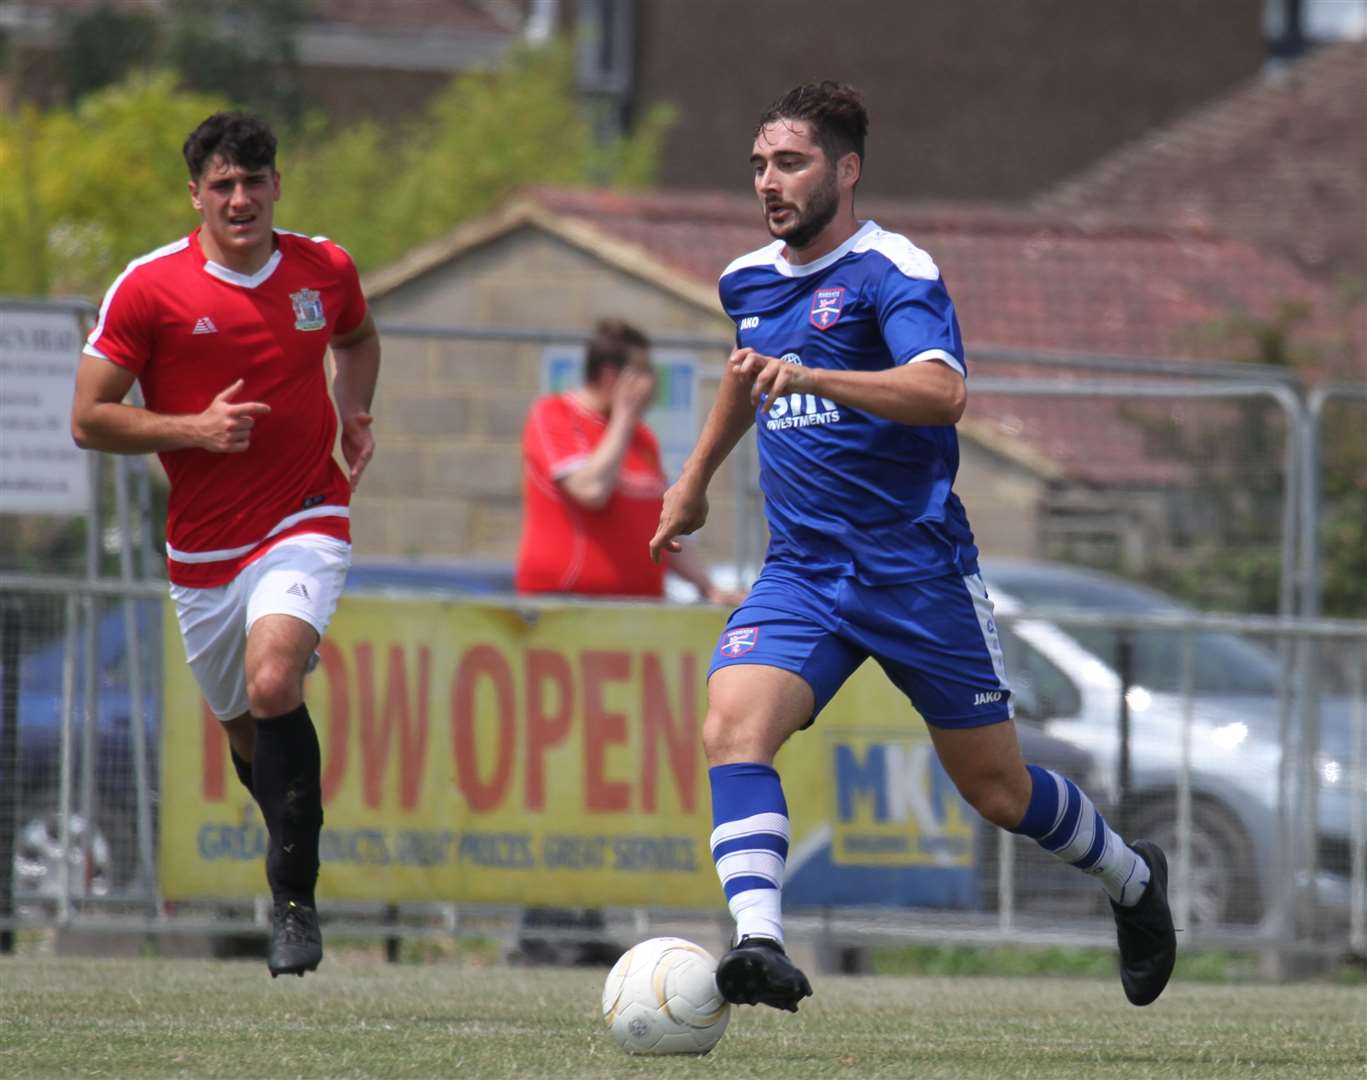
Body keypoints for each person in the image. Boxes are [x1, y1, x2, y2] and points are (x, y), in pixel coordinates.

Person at [649, 82, 1176, 1012]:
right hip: (804, 573)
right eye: (760, 166)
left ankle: (1133, 881)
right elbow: (746, 373)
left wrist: (817, 372)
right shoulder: (747, 279)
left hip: (915, 571)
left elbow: (942, 393)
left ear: (845, 170)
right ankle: (759, 943)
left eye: (791, 162)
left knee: (1000, 794)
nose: (770, 182)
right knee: (733, 725)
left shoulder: (895, 269)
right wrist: (691, 482)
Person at [70, 111, 381, 979]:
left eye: (254, 181)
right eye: (222, 185)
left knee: (274, 676)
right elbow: (89, 417)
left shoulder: (325, 267)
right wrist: (193, 429)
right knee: (249, 734)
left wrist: (353, 410)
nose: (240, 198)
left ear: (278, 184)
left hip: (306, 513)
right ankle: (291, 839)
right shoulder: (150, 287)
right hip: (204, 554)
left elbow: (355, 335)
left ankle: (293, 904)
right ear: (197, 195)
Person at [515, 317, 740, 605]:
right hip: (565, 607)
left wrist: (708, 587)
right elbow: (591, 491)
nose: (653, 383)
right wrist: (623, 418)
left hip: (636, 614)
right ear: (611, 376)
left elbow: (664, 527)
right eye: (644, 371)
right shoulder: (554, 414)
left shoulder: (643, 438)